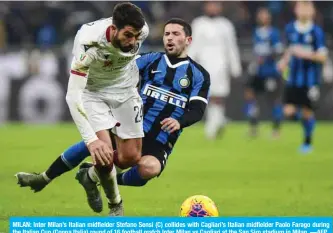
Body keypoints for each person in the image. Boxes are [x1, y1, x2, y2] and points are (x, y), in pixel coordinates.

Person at [16, 18, 210, 215]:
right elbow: (118, 70)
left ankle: (92, 176)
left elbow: (197, 110)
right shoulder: (150, 60)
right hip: (132, 124)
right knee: (95, 145)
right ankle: (45, 177)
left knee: (149, 168)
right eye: (167, 34)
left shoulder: (199, 75)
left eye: (176, 34)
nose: (169, 38)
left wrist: (179, 121)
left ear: (188, 40)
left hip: (161, 138)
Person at [16, 2, 149, 216]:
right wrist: (92, 140)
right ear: (114, 29)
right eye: (127, 35)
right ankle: (116, 205)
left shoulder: (142, 31)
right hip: (93, 93)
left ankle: (89, 177)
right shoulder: (89, 43)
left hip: (126, 92)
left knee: (131, 158)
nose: (133, 41)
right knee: (103, 154)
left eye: (135, 36)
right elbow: (73, 95)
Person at [278, 1, 327, 153]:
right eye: (301, 7)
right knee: (288, 111)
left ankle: (307, 142)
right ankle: (305, 122)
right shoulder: (290, 28)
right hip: (292, 78)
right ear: (296, 10)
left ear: (313, 11)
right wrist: (283, 61)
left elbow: (322, 57)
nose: (304, 10)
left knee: (307, 111)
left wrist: (306, 54)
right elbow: (289, 49)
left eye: (308, 7)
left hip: (310, 80)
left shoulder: (316, 32)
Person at [189, 1, 242, 140]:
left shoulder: (226, 25)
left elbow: (231, 47)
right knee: (206, 95)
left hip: (221, 65)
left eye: (216, 5)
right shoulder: (198, 23)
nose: (213, 8)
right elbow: (193, 46)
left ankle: (215, 125)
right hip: (203, 64)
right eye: (211, 5)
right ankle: (215, 122)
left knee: (219, 96)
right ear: (205, 6)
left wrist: (235, 67)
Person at [244, 7, 284, 137]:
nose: (262, 17)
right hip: (257, 72)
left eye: (264, 15)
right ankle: (253, 126)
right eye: (260, 15)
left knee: (273, 100)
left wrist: (267, 56)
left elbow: (279, 50)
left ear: (269, 17)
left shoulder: (274, 33)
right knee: (250, 96)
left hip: (270, 72)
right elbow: (255, 51)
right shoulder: (256, 32)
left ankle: (276, 129)